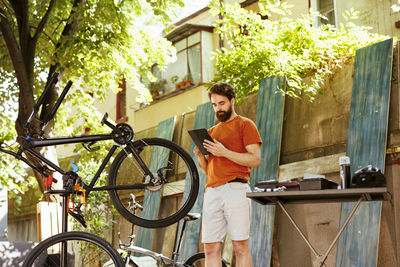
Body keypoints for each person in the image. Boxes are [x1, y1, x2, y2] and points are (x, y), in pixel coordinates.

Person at [193, 82, 262, 267]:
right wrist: (201, 157)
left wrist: (224, 152)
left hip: (236, 189)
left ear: (232, 101)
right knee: (210, 249)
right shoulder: (211, 132)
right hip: (212, 192)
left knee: (240, 246)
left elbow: (255, 160)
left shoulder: (246, 125)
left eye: (222, 103)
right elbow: (208, 171)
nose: (218, 109)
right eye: (214, 105)